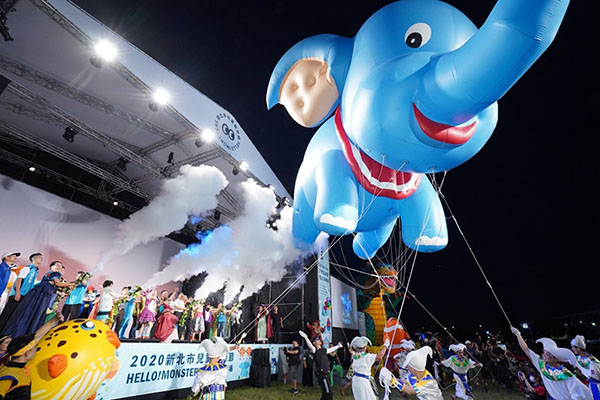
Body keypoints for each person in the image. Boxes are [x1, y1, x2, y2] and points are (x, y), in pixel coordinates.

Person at [511, 327, 592, 399]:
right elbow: (526, 350)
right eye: (544, 353)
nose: (544, 355)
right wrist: (518, 334)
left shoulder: (566, 375)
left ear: (556, 359)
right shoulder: (541, 365)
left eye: (548, 354)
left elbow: (580, 393)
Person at [2, 261, 73, 338]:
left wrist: (61, 292)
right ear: (51, 267)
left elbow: (53, 287)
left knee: (33, 313)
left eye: (60, 265)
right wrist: (71, 284)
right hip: (41, 296)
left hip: (43, 295)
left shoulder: (52, 275)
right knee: (34, 313)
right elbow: (57, 284)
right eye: (57, 265)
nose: (59, 267)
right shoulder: (54, 274)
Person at [0, 314, 63, 399]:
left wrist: (54, 320)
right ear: (27, 352)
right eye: (34, 348)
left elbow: (36, 337)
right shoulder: (9, 376)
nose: (35, 350)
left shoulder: (11, 359)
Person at [380, 346, 444, 400]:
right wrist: (389, 377)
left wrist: (392, 380)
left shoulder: (428, 382)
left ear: (413, 368)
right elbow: (403, 381)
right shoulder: (413, 375)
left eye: (408, 365)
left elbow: (410, 390)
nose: (407, 366)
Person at [0, 253, 41, 332]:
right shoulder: (27, 268)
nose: (41, 259)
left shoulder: (35, 271)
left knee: (13, 317)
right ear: (34, 259)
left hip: (24, 296)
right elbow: (19, 280)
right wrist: (17, 293)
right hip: (17, 295)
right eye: (39, 258)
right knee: (6, 315)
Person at [299, 329, 342, 400]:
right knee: (328, 394)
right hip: (322, 374)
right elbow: (310, 346)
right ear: (314, 343)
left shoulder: (324, 350)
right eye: (317, 340)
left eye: (319, 339)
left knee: (326, 394)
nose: (319, 340)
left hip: (326, 373)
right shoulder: (315, 350)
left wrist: (338, 346)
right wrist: (306, 337)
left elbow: (331, 350)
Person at [347, 336, 389, 400]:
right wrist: (385, 346)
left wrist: (349, 347)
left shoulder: (355, 355)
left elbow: (351, 351)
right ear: (365, 347)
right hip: (363, 382)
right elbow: (379, 357)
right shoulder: (367, 357)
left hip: (355, 380)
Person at [571, 335, 600, 399]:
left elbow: (594, 370)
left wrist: (591, 374)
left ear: (578, 348)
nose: (572, 349)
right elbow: (569, 360)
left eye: (573, 347)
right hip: (592, 384)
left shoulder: (591, 359)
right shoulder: (579, 358)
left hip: (597, 385)